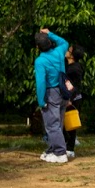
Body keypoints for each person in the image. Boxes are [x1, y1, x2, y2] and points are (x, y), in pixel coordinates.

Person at [33, 28, 69, 164]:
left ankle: (60, 153)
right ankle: (52, 150)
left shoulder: (40, 61)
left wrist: (41, 101)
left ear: (38, 47)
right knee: (58, 123)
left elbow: (41, 82)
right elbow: (64, 42)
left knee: (52, 125)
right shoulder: (59, 52)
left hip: (51, 92)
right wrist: (50, 33)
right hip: (63, 90)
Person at [60, 44, 86, 159]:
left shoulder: (75, 69)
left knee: (71, 123)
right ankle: (66, 143)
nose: (66, 51)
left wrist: (70, 99)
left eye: (69, 50)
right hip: (68, 98)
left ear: (72, 55)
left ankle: (70, 148)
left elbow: (76, 86)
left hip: (73, 99)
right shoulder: (68, 66)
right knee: (64, 123)